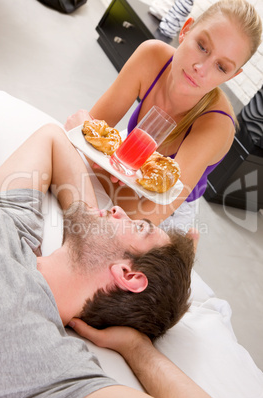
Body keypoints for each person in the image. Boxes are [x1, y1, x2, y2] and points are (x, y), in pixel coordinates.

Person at [0, 123, 213, 398]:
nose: (118, 209)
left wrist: (135, 347)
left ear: (128, 275)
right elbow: (53, 139)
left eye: (138, 228)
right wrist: (87, 224)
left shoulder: (39, 349)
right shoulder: (19, 228)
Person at [65, 0, 262, 230]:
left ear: (231, 76)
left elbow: (144, 221)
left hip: (167, 212)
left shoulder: (217, 125)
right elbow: (86, 138)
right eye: (202, 46)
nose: (202, 67)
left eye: (221, 67)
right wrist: (88, 143)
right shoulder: (151, 56)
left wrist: (89, 145)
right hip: (128, 162)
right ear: (186, 29)